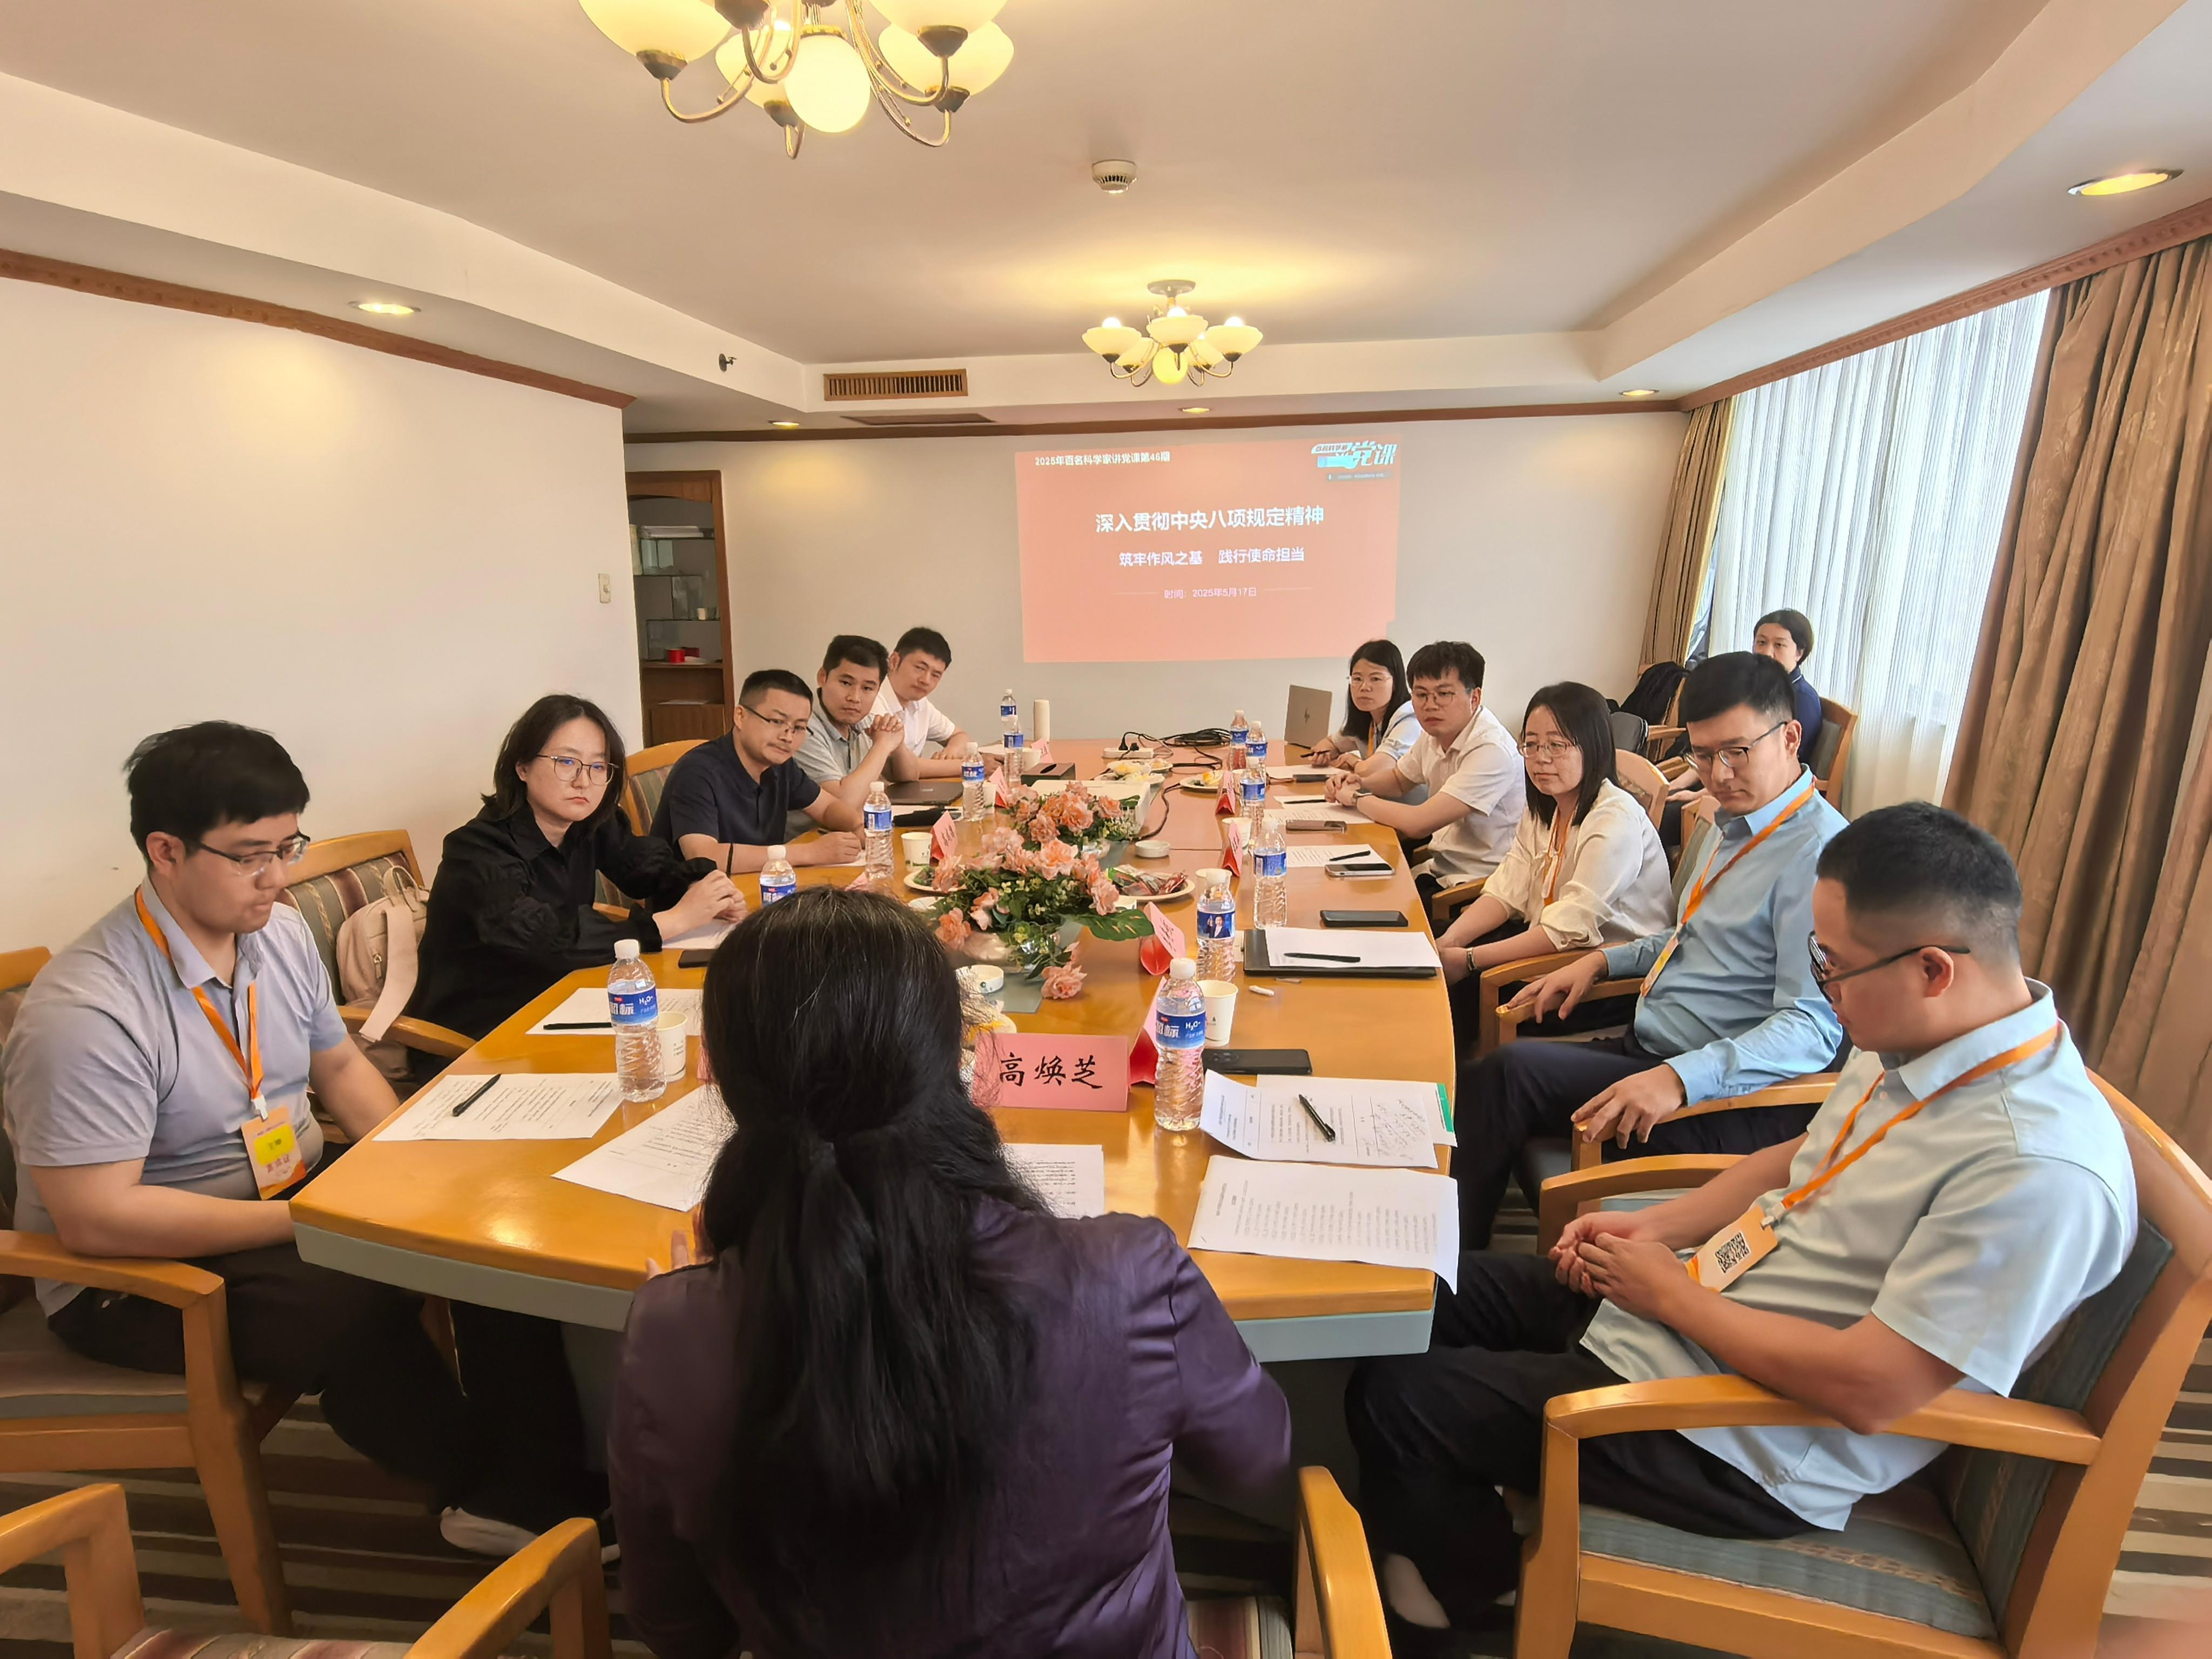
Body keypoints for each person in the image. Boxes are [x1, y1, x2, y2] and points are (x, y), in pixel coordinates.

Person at [1347, 802, 2134, 1643]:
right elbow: (1799, 1156)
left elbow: (1875, 1390)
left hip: (1744, 1434)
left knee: (1399, 1400)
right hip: (1694, 1308)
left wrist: (1672, 1299)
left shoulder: (2036, 1169)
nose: (1822, 990)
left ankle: (1476, 1599)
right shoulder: (1921, 1035)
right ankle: (1443, 1526)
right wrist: (1655, 1232)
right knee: (1411, 1289)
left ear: (1934, 968)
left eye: (1830, 966)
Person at [611, 888, 1290, 1659]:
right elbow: (1256, 1459)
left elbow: (678, 1631)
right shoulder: (1127, 1274)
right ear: (950, 1057)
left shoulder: (673, 1335)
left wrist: (695, 1313)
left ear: (724, 1079)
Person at [1, 723, 609, 1556]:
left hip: (285, 1197)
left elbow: (342, 1068)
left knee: (482, 1218)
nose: (279, 878)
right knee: (352, 1300)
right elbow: (98, 1221)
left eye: (289, 846)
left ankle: (543, 1468)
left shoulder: (276, 935)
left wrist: (422, 1168)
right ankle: (480, 1490)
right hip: (134, 1273)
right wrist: (321, 1219)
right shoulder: (88, 1009)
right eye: (252, 855)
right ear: (166, 850)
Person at [1454, 653, 1846, 1248]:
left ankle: (1452, 1277)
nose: (1717, 775)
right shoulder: (1738, 825)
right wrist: (1603, 959)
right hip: (1652, 1048)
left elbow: (1811, 1029)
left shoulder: (1817, 859)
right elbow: (1691, 935)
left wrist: (1680, 1080)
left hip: (1717, 1097)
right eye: (1703, 755)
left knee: (1504, 1080)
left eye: (1736, 752)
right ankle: (1453, 1258)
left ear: (1790, 736)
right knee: (1496, 1079)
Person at [409, 694, 746, 1042]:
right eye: (567, 762)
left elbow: (646, 871)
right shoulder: (476, 850)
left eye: (598, 767)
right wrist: (669, 923)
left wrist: (706, 889)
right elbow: (544, 939)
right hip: (485, 1029)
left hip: (568, 999)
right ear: (521, 766)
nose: (584, 781)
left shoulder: (590, 824)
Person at [1436, 682, 1673, 1052]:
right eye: (1531, 744)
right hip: (1550, 948)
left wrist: (1468, 960)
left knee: (1460, 993)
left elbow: (1571, 928)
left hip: (1605, 976)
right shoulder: (1547, 805)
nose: (1540, 758)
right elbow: (1506, 889)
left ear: (1592, 746)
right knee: (1438, 950)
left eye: (1557, 745)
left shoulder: (1615, 819)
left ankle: (1456, 1093)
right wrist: (1450, 941)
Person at [1324, 640, 1523, 899]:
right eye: (1421, 695)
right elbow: (1399, 780)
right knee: (1345, 890)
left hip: (1480, 888)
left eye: (1444, 694)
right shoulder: (1434, 734)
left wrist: (1356, 798)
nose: (1431, 705)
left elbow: (1418, 824)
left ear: (1474, 697)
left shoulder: (1491, 750)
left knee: (1362, 900)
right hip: (1439, 868)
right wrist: (1357, 782)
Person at [651, 669, 864, 871]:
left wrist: (857, 826)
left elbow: (827, 807)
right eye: (777, 721)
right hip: (693, 899)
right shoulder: (697, 772)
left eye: (799, 728)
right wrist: (809, 853)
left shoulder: (781, 766)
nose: (788, 737)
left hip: (763, 883)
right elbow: (704, 856)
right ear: (740, 716)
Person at [1665, 609, 1825, 821]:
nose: (1768, 652)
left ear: (1799, 653)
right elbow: (1717, 750)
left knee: (1668, 814)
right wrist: (1679, 783)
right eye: (1761, 642)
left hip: (1757, 791)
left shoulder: (1802, 699)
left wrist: (1698, 795)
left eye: (1779, 645)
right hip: (1726, 781)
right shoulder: (1747, 689)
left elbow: (1775, 767)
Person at [790, 634, 909, 839]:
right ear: (822, 677)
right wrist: (882, 746)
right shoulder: (801, 727)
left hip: (849, 836)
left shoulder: (861, 720)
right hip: (803, 843)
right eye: (846, 683)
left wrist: (896, 742)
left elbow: (908, 776)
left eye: (867, 688)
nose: (854, 698)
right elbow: (842, 805)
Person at [870, 626, 977, 779]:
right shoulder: (872, 699)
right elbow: (897, 768)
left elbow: (960, 736)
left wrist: (950, 753)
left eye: (936, 675)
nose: (926, 680)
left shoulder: (920, 704)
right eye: (920, 668)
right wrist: (970, 765)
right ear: (894, 662)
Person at [1304, 639, 1418, 767]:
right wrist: (1324, 755)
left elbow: (1378, 770)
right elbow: (1330, 743)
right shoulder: (1367, 717)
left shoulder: (1409, 717)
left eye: (1375, 679)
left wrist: (1353, 762)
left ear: (1395, 683)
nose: (1364, 687)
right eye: (1357, 679)